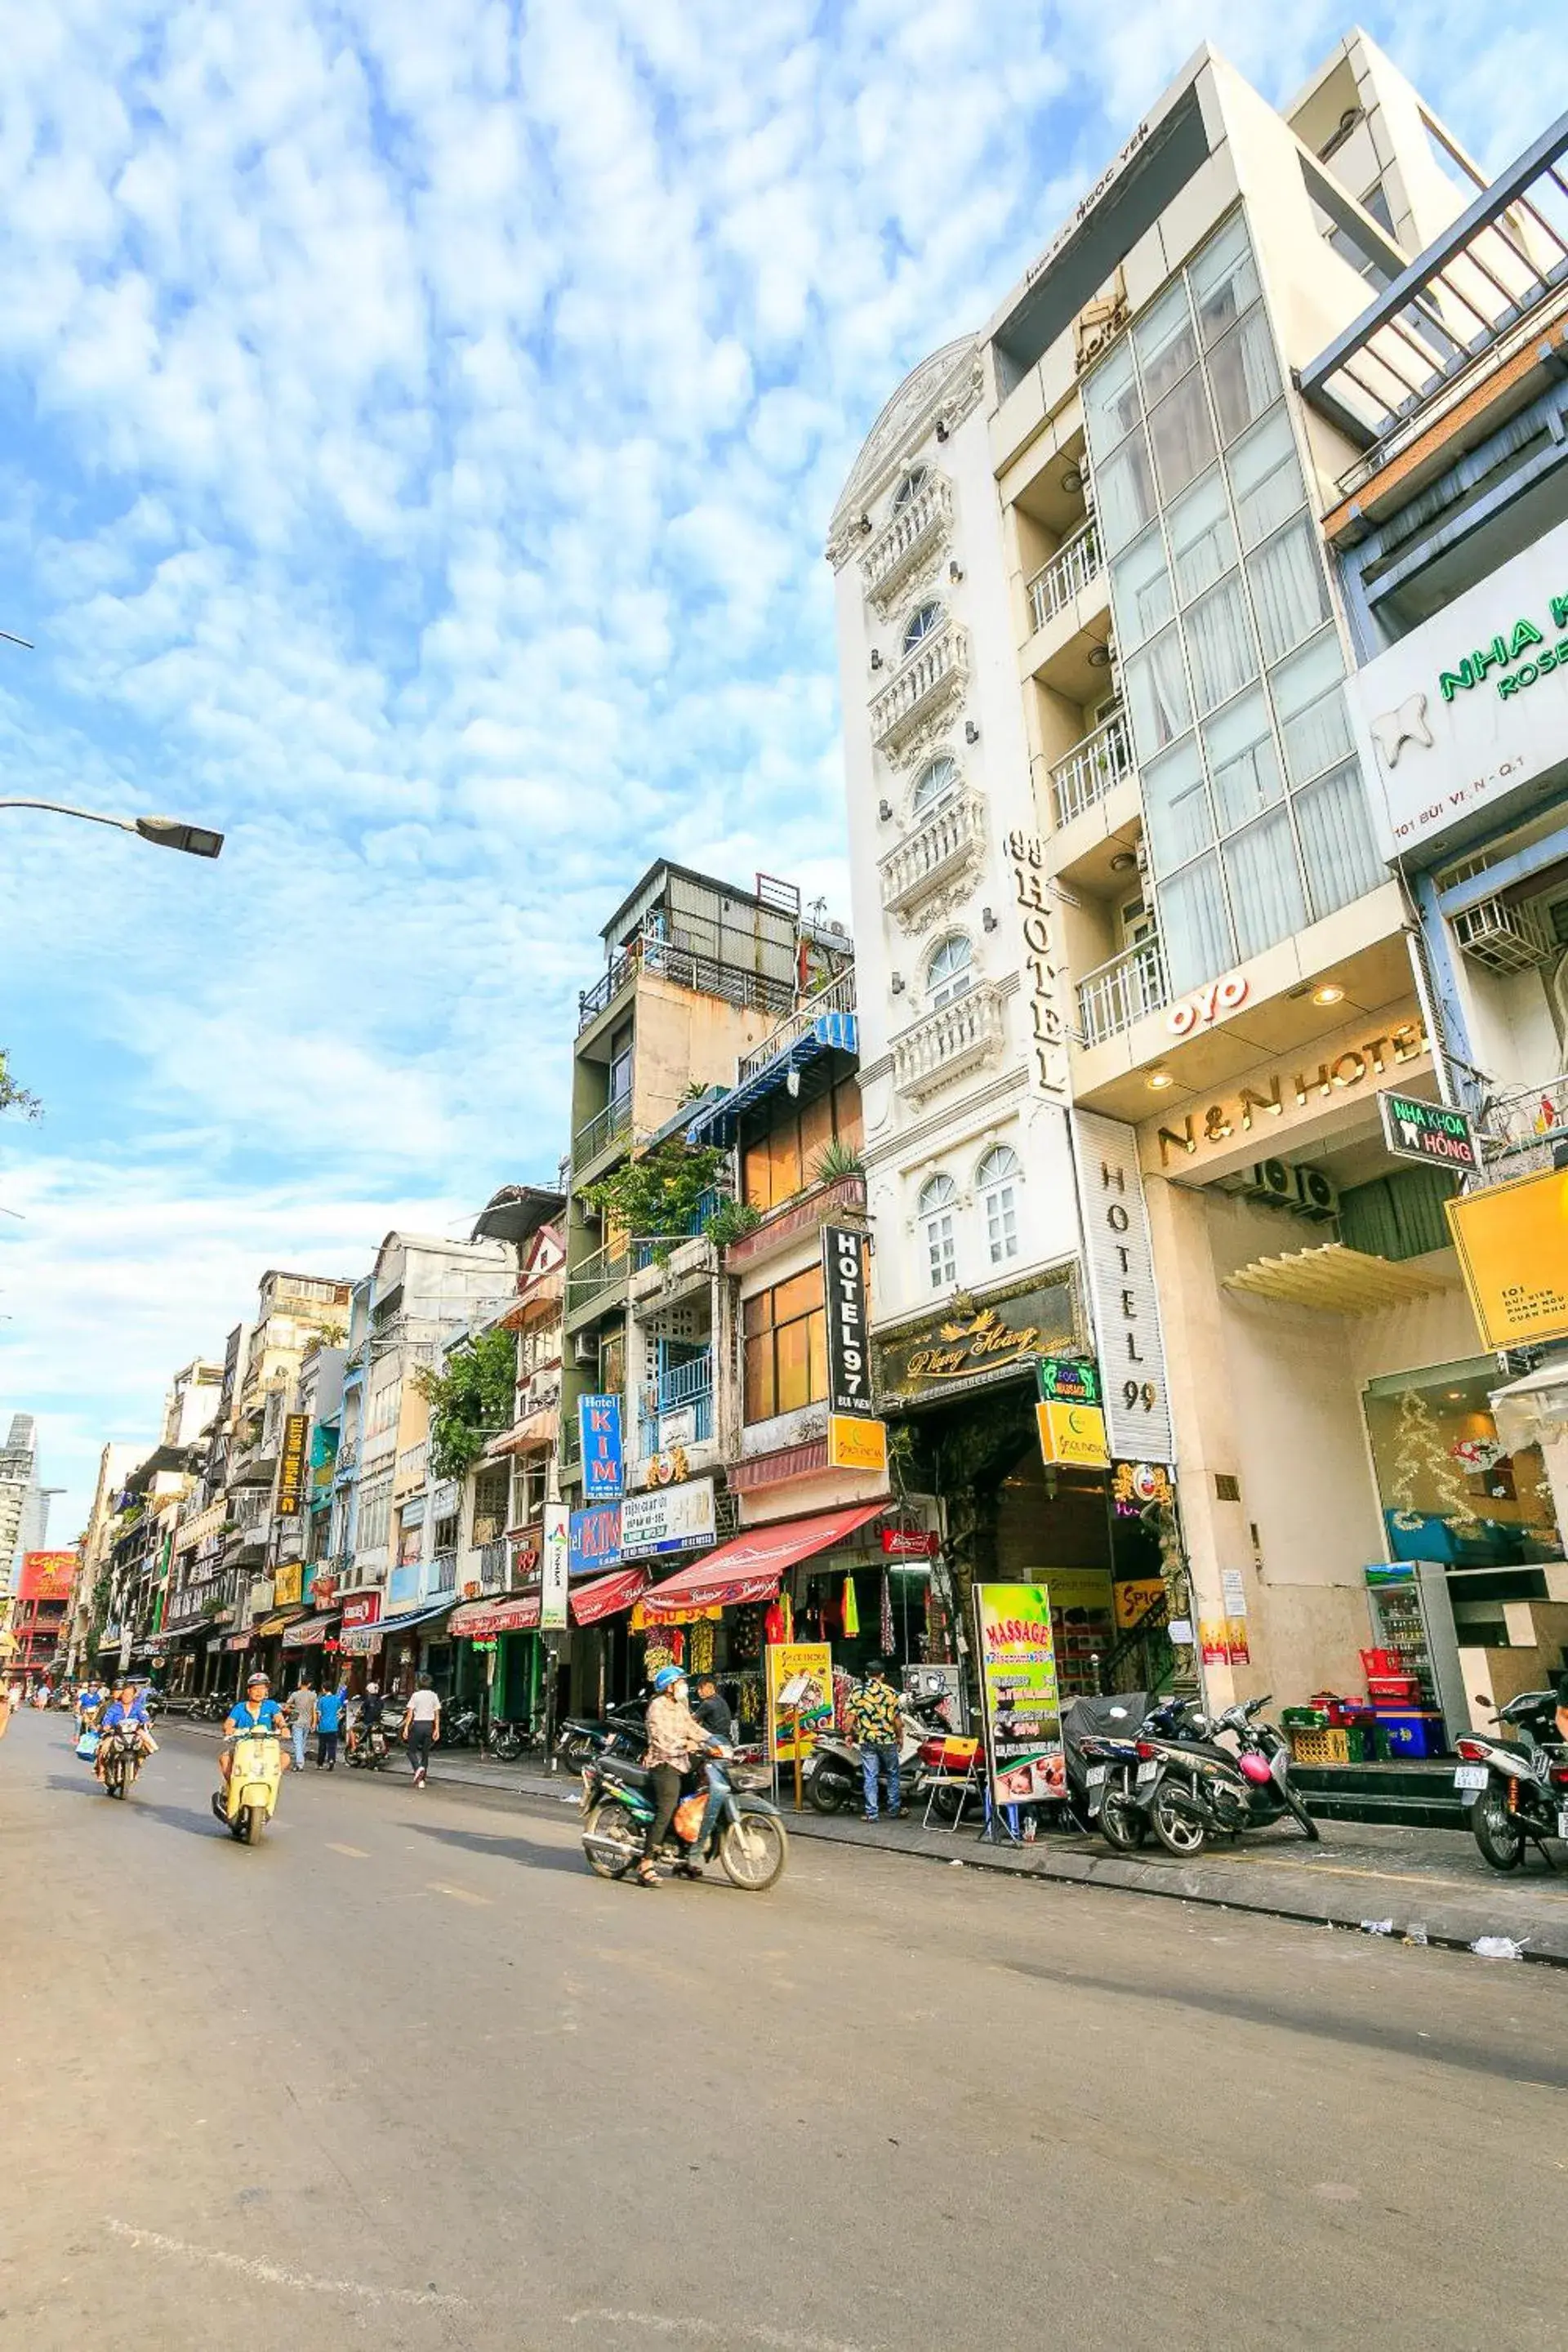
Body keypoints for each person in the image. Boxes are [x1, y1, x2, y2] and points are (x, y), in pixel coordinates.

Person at [637, 1664, 714, 1887]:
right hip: (663, 1764)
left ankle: (683, 1859)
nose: (684, 1686)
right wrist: (686, 1744)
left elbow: (692, 1727)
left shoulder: (679, 1706)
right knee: (667, 1808)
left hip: (682, 1763)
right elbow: (663, 1739)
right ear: (668, 1687)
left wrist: (714, 1741)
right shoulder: (657, 1707)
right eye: (680, 1682)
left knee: (690, 1807)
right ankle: (646, 1863)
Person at [216, 1673, 287, 1806]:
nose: (259, 1692)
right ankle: (233, 1787)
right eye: (256, 1689)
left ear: (267, 1691)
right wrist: (229, 1728)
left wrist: (283, 1728)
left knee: (285, 1758)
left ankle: (271, 1782)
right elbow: (229, 1723)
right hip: (243, 1747)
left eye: (263, 1688)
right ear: (249, 1691)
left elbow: (279, 1719)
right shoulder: (240, 1707)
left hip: (266, 1748)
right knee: (224, 1759)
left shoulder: (271, 1705)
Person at [848, 1659, 904, 1823]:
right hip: (888, 1740)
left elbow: (849, 1719)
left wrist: (849, 1734)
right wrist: (900, 1737)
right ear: (883, 1675)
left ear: (866, 1674)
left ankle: (872, 1813)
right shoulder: (891, 1693)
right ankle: (894, 1809)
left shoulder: (858, 1692)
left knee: (870, 1776)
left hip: (867, 1741)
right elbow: (897, 1721)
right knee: (893, 1774)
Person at [96, 1680, 154, 1781]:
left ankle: (136, 1769)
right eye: (124, 1693)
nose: (126, 1696)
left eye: (129, 1694)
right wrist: (106, 1726)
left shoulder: (138, 1706)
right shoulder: (113, 1706)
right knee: (103, 1748)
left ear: (134, 1696)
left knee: (145, 1749)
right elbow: (107, 1718)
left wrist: (148, 1723)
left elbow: (144, 1717)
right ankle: (102, 1771)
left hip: (134, 1733)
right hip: (115, 1733)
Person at [403, 1673, 441, 1788]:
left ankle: (418, 1768)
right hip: (429, 1726)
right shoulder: (434, 1696)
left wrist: (405, 1728)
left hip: (418, 1725)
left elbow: (410, 1714)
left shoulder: (415, 1695)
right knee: (425, 1754)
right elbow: (437, 1714)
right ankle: (422, 1781)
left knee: (411, 1751)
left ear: (419, 1684)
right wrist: (437, 1729)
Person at [287, 1679, 317, 1774]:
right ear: (309, 1684)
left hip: (297, 1722)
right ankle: (300, 1762)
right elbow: (314, 1711)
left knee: (298, 1743)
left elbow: (286, 1706)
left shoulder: (295, 1695)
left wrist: (292, 1711)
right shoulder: (313, 1695)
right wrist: (314, 1723)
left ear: (300, 1684)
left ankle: (299, 1764)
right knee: (302, 1743)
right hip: (307, 1722)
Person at [314, 1681, 345, 1770]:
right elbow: (340, 1712)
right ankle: (331, 1760)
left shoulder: (322, 1700)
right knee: (332, 1746)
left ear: (324, 1689)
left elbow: (319, 1714)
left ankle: (320, 1764)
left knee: (322, 1746)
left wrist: (317, 1724)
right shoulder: (337, 1699)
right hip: (333, 1726)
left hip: (323, 1727)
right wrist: (336, 1720)